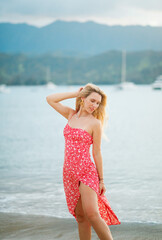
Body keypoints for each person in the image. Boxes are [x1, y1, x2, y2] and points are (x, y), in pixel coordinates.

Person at [46, 83, 121, 240]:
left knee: (92, 214)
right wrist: (74, 93)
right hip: (68, 172)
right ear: (83, 99)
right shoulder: (71, 115)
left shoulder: (95, 123)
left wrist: (101, 180)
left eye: (97, 103)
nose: (94, 105)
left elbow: (97, 152)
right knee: (80, 217)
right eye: (92, 100)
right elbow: (50, 99)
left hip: (86, 171)